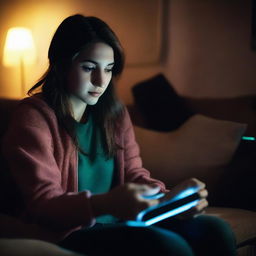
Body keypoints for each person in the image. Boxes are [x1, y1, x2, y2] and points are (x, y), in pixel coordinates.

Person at [1, 14, 237, 255]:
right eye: (89, 68)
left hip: (123, 221)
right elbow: (44, 204)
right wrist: (106, 203)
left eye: (109, 69)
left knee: (215, 230)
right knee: (168, 246)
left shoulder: (114, 113)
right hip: (68, 233)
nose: (100, 81)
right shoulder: (33, 118)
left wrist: (171, 199)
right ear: (61, 63)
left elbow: (134, 173)